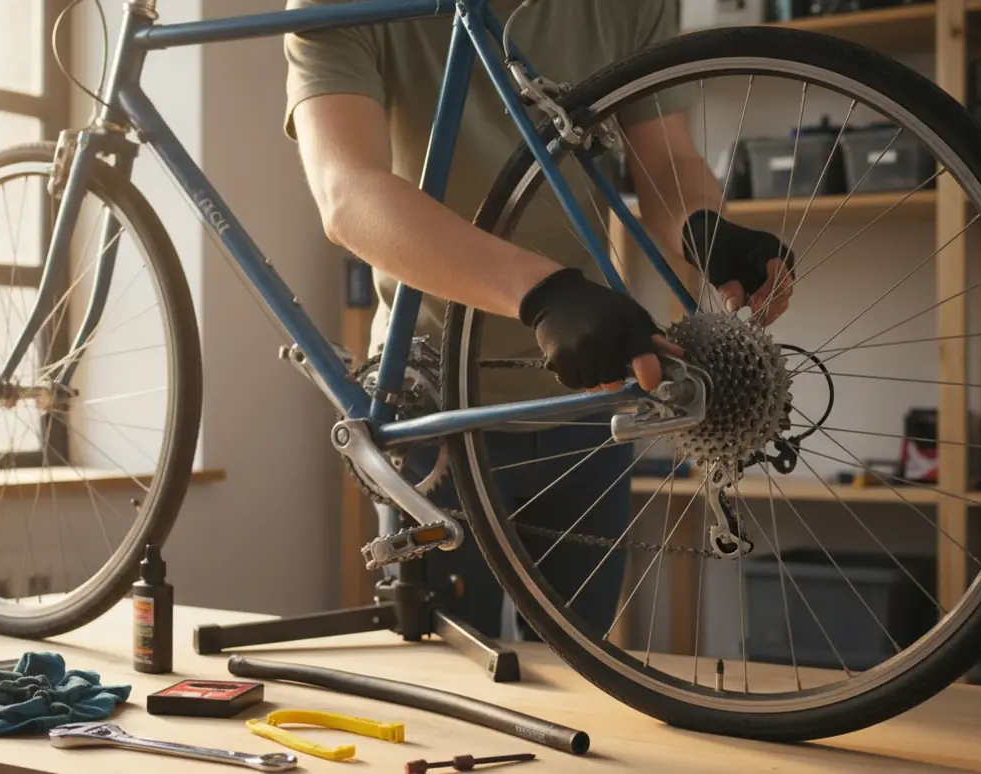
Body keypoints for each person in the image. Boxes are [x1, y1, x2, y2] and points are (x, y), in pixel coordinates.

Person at [283, 0, 795, 640]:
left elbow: (666, 162)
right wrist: (541, 291)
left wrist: (709, 233)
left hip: (595, 398)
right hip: (437, 401)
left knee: (579, 688)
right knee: (443, 688)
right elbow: (347, 193)